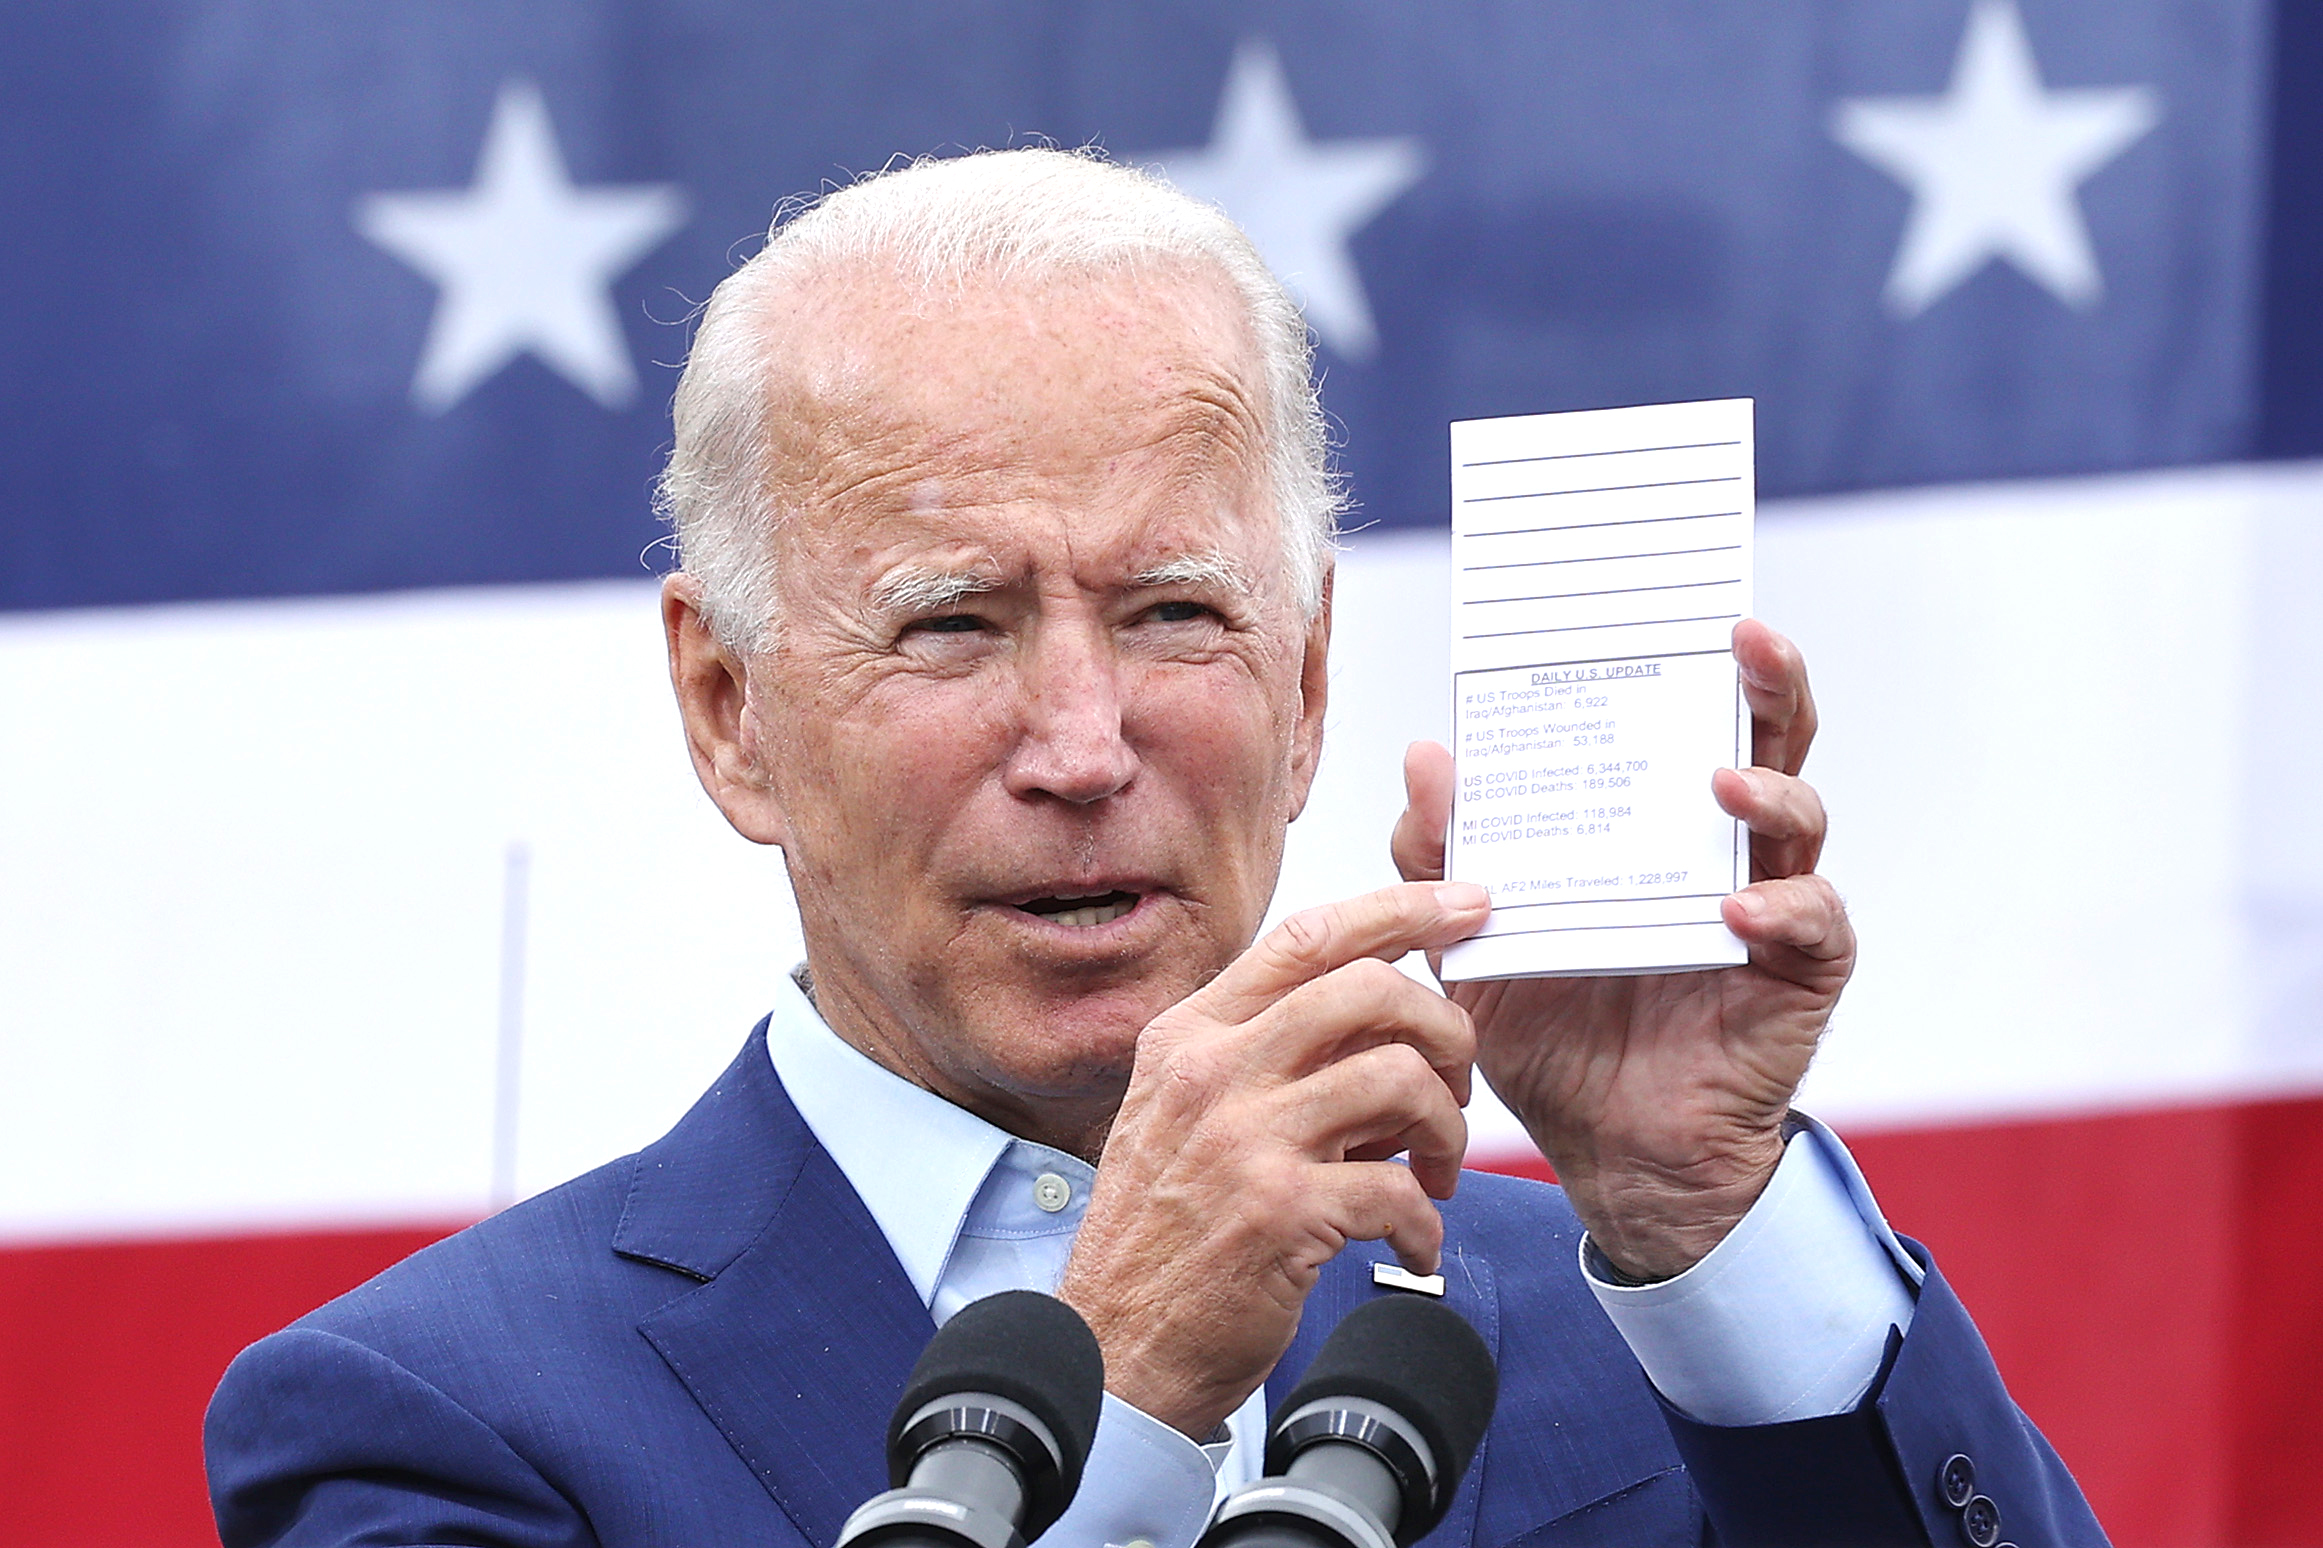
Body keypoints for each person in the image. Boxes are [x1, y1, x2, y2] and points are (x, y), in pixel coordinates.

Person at [207, 148, 2102, 1548]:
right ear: (729, 710)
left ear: (1311, 681)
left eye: (1178, 614)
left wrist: (1707, 1218)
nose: (1082, 745)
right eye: (952, 622)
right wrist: (1111, 1401)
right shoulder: (437, 1425)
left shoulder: (1632, 1345)